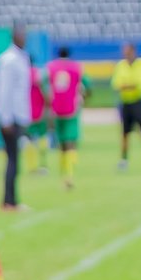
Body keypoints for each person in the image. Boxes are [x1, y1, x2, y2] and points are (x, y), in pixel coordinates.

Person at [0, 25, 31, 211]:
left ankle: (12, 199)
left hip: (18, 115)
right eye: (22, 35)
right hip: (10, 116)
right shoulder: (9, 60)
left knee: (15, 160)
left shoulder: (22, 57)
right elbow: (4, 91)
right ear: (15, 36)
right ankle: (9, 201)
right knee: (12, 160)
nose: (25, 38)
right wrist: (5, 119)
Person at [44, 46, 88, 189]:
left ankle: (63, 172)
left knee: (61, 142)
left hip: (56, 108)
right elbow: (85, 85)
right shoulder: (76, 67)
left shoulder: (51, 67)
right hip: (71, 108)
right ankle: (69, 173)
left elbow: (43, 82)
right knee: (71, 142)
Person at [112, 41, 141, 170]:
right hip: (126, 103)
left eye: (127, 51)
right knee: (125, 133)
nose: (125, 53)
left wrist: (126, 85)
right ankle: (124, 159)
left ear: (133, 51)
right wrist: (129, 85)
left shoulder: (140, 64)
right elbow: (116, 84)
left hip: (137, 102)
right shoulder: (121, 65)